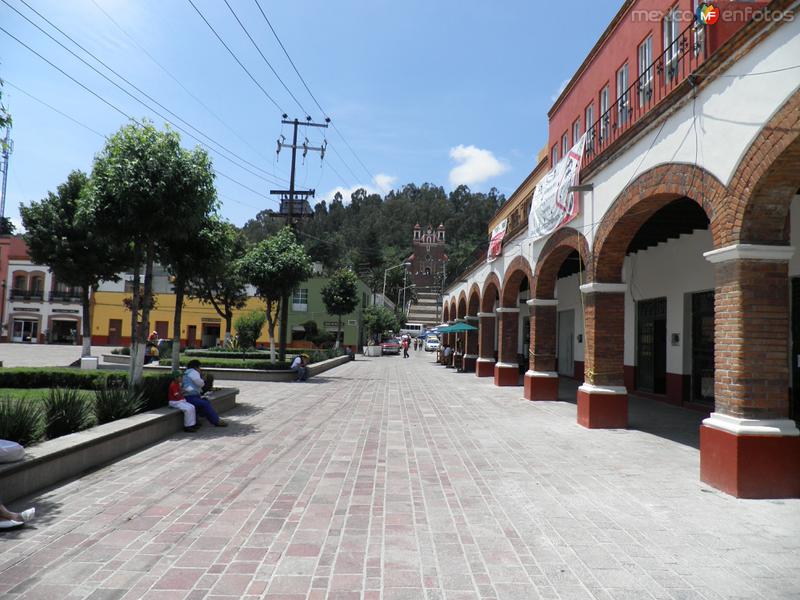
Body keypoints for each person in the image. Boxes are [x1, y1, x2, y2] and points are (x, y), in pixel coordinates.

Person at [182, 360, 227, 427]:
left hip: (190, 396)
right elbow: (200, 383)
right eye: (199, 367)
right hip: (190, 396)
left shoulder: (187, 372)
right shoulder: (193, 372)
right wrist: (203, 379)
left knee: (204, 402)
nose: (200, 369)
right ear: (196, 367)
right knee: (204, 403)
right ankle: (216, 421)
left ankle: (196, 421)